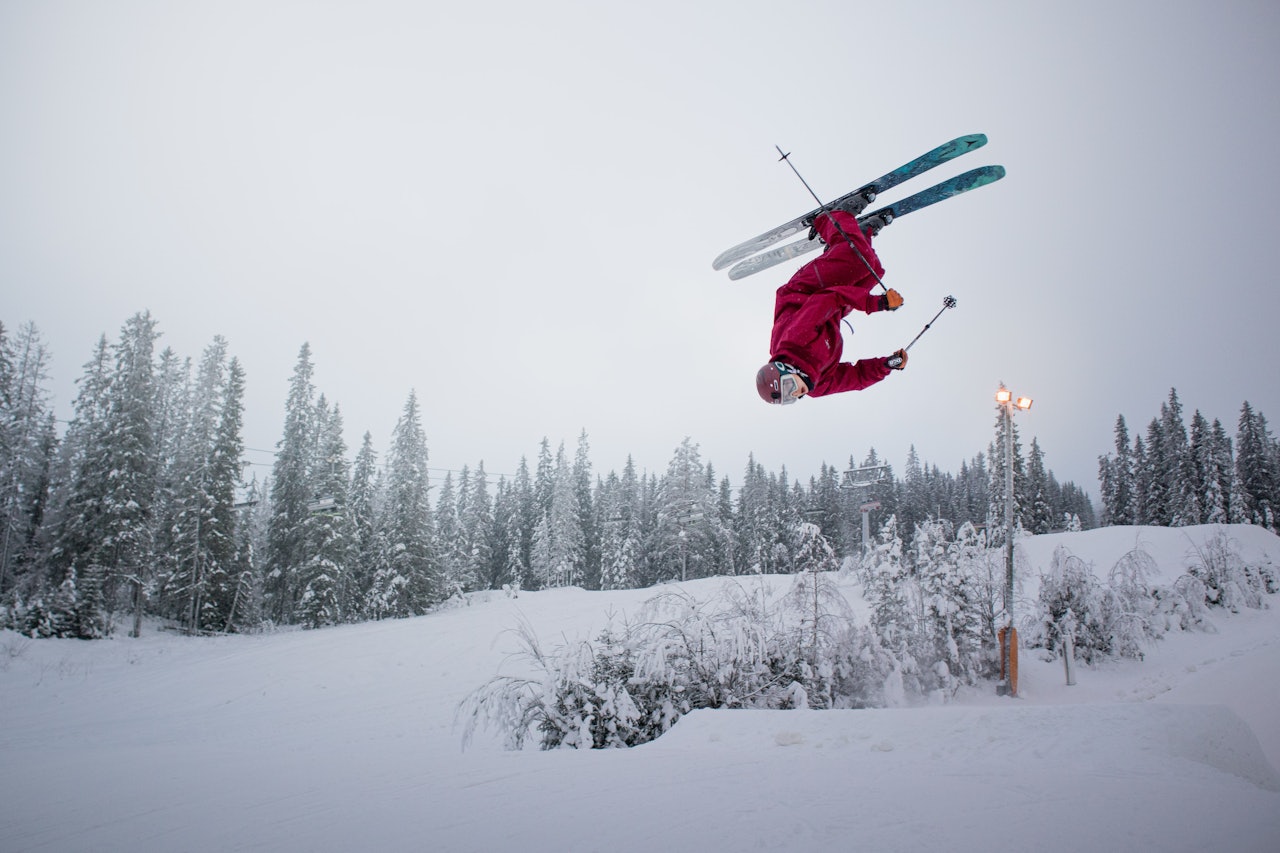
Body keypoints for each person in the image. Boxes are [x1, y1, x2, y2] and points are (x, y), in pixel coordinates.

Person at [756, 201, 908, 405]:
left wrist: (876, 304)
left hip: (806, 290)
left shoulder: (794, 341)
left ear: (785, 369)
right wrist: (886, 366)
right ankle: (861, 232)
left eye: (789, 386)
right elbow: (856, 378)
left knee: (856, 258)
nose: (796, 393)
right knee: (872, 272)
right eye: (790, 398)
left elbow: (828, 298)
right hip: (833, 310)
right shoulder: (818, 385)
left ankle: (829, 218)